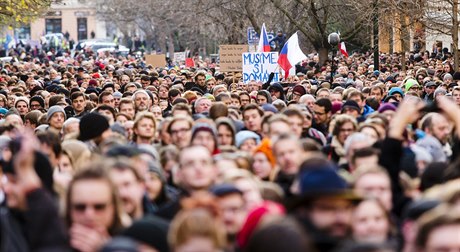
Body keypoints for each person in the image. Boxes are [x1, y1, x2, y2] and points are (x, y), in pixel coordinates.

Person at [66, 164, 125, 251]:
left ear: (113, 208)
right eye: (80, 207)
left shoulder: (134, 242)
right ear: (69, 209)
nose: (89, 215)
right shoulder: (51, 243)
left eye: (99, 207)